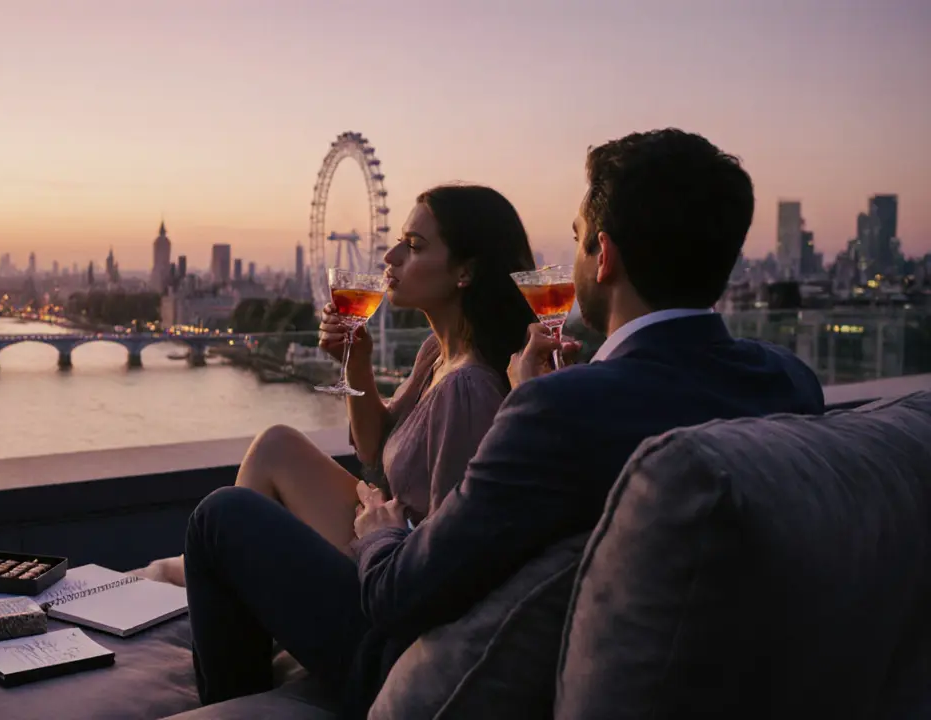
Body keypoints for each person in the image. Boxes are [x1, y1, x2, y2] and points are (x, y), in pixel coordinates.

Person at [183, 128, 826, 717]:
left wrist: (380, 533)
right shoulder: (788, 382)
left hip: (415, 666)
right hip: (717, 684)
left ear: (603, 257)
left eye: (576, 238)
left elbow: (402, 592)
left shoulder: (556, 411)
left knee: (221, 516)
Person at [135, 185, 538, 586]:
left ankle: (204, 589)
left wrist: (380, 536)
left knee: (204, 540)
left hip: (390, 570)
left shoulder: (467, 389)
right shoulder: (435, 353)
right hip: (380, 531)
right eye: (399, 240)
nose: (390, 256)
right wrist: (357, 363)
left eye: (414, 246)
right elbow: (373, 452)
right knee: (275, 447)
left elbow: (447, 554)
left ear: (465, 272)